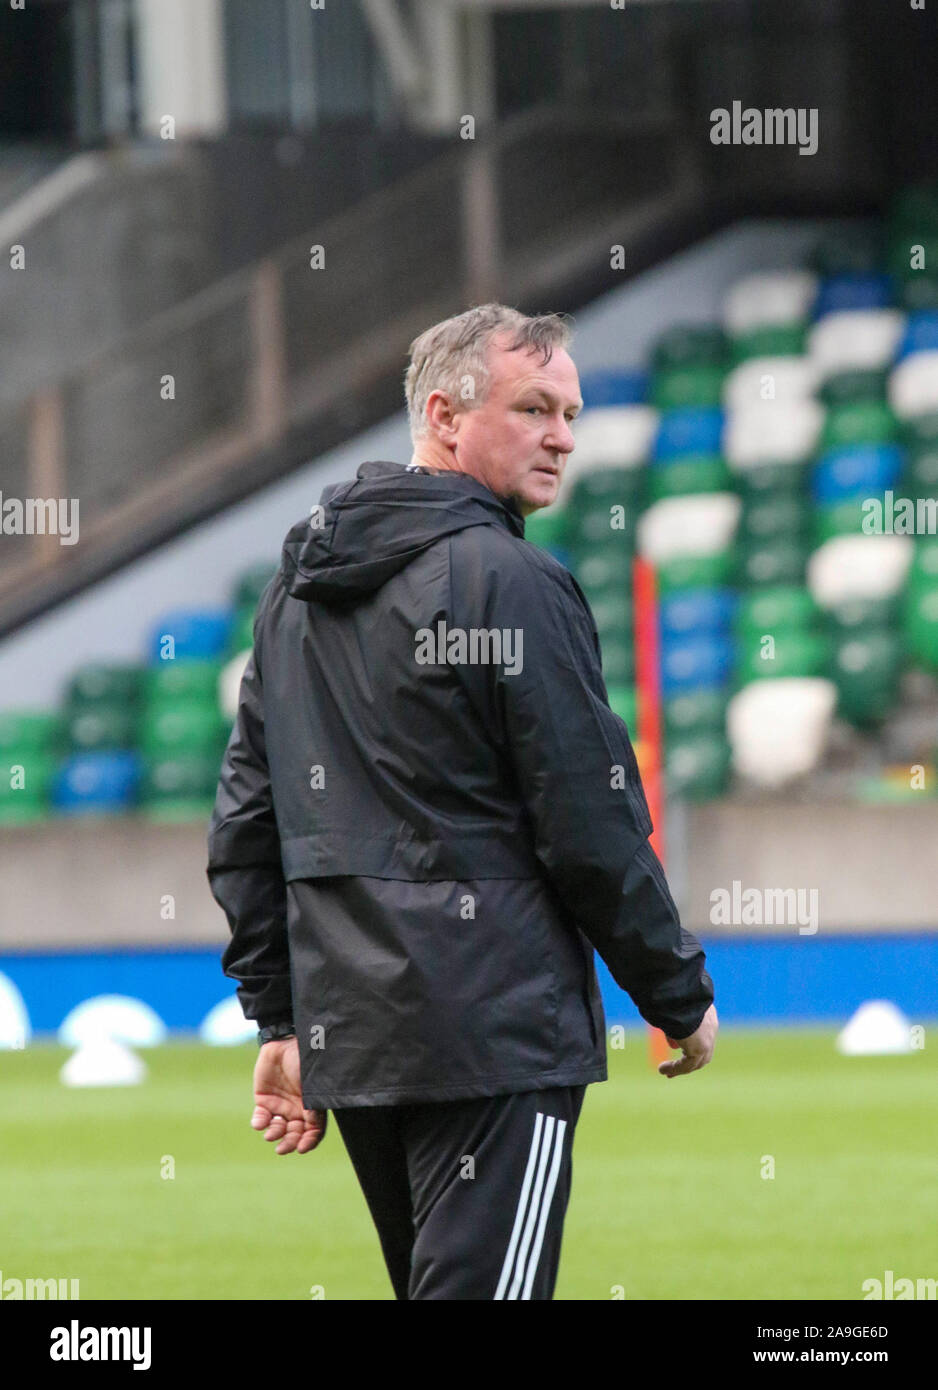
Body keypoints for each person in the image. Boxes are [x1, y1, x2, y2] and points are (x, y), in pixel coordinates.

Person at [206, 302, 717, 1301]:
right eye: (533, 409)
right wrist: (674, 993)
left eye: (569, 413)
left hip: (358, 1036)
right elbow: (589, 821)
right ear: (444, 415)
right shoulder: (513, 581)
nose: (562, 437)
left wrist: (280, 1017)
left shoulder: (293, 589)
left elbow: (245, 821)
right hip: (493, 1032)